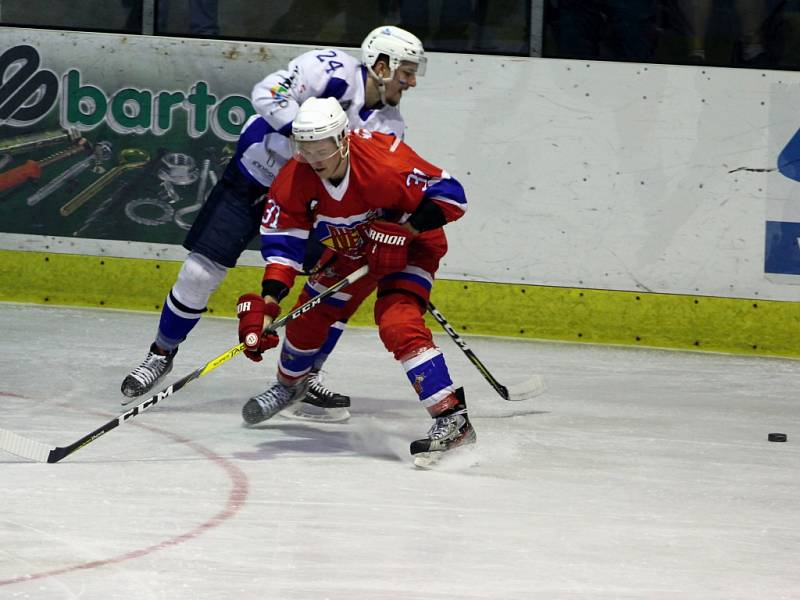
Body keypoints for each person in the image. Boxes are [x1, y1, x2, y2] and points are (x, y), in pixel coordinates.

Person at [120, 26, 427, 425]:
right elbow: (267, 93)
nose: (411, 80)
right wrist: (304, 137)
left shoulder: (390, 126)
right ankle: (161, 354)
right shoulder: (329, 69)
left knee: (329, 290)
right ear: (381, 65)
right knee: (199, 272)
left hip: (312, 207)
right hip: (255, 177)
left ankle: (303, 378)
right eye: (406, 70)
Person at [234, 96, 473, 466]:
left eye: (322, 148)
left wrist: (405, 230)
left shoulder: (385, 162)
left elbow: (453, 196)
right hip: (351, 251)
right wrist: (268, 307)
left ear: (342, 139)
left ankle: (452, 419)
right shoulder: (295, 178)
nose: (313, 158)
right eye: (304, 148)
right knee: (304, 320)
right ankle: (290, 387)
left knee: (398, 323)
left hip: (411, 248)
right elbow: (284, 245)